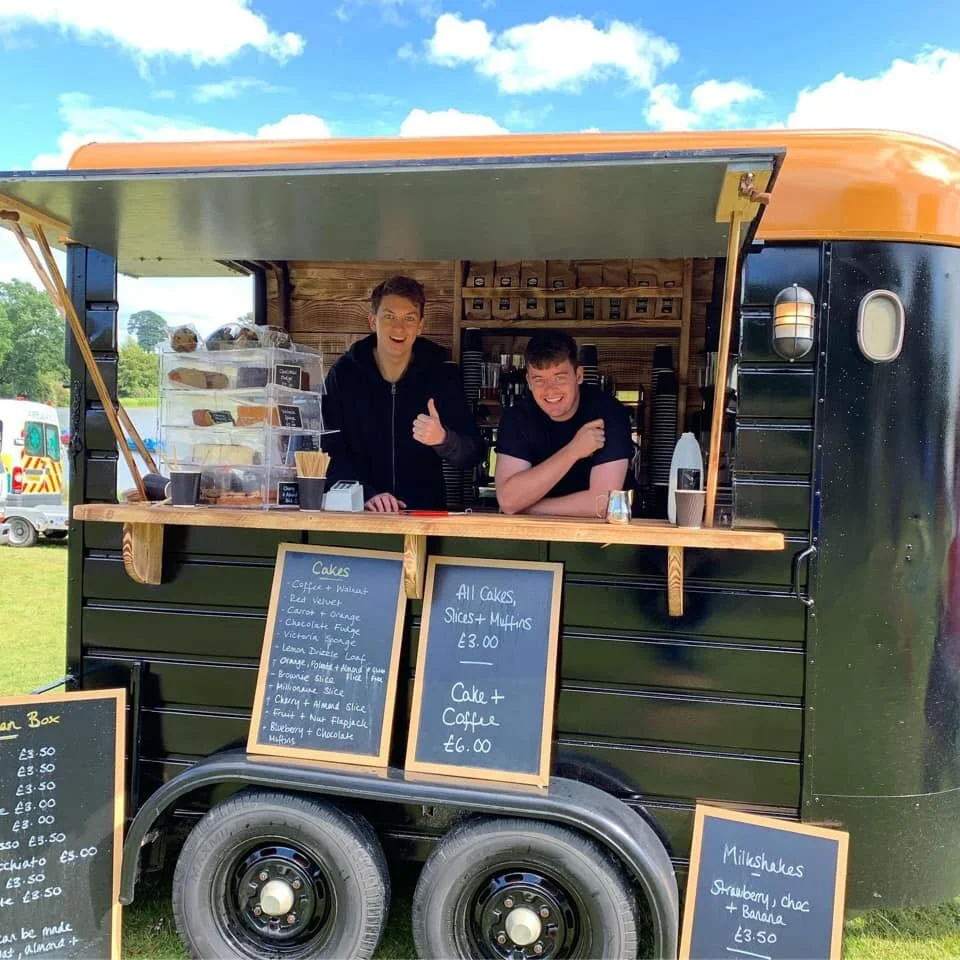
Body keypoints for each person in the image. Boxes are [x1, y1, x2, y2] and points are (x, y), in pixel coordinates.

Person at [322, 275, 482, 512]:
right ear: (372, 321)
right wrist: (364, 493)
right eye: (389, 317)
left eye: (409, 318)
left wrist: (444, 440)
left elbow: (473, 453)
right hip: (361, 513)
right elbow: (326, 449)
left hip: (424, 517)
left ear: (421, 325)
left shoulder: (441, 374)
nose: (399, 328)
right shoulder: (343, 375)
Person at [495, 332, 633, 517]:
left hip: (598, 532)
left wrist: (526, 508)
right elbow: (508, 500)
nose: (550, 390)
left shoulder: (608, 413)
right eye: (539, 380)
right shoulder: (518, 417)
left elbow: (603, 503)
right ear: (528, 381)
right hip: (531, 530)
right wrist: (573, 451)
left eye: (559, 377)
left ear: (579, 375)